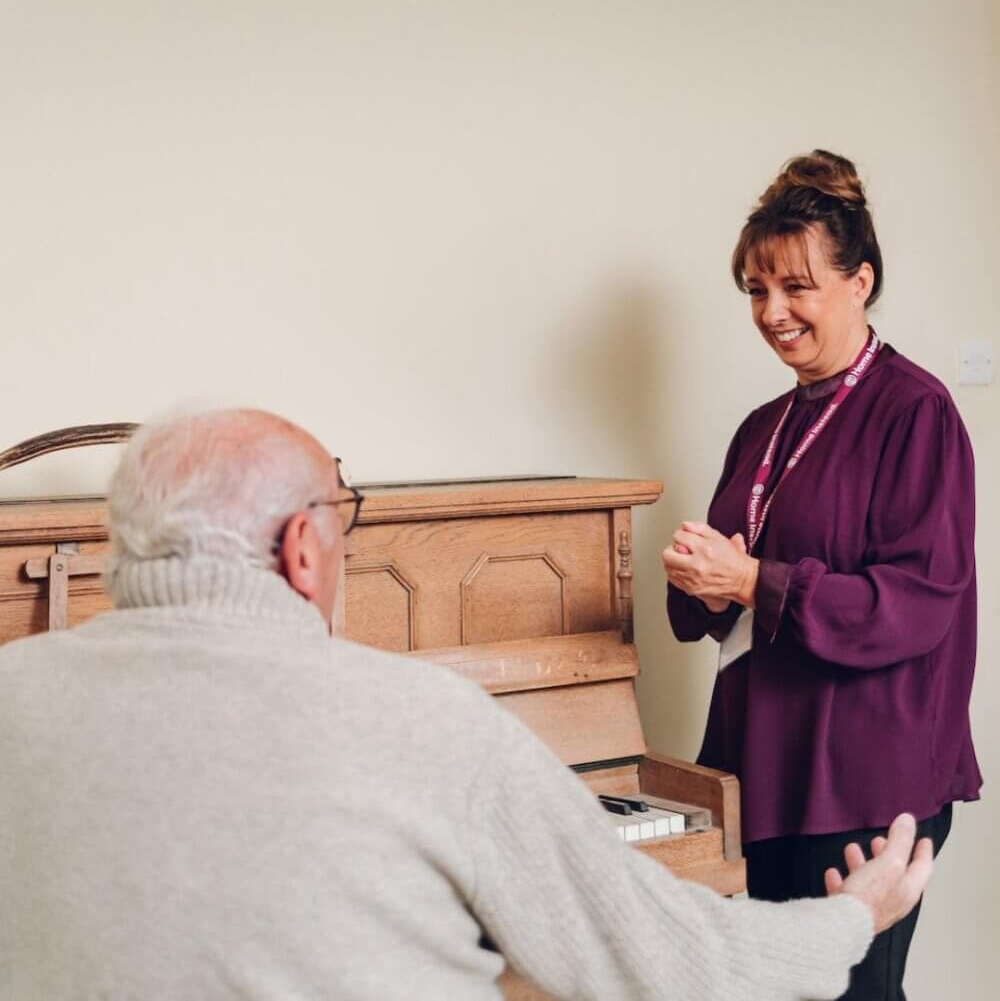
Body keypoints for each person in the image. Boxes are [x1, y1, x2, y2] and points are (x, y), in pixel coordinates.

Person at [0, 409, 934, 1001]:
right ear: (302, 551)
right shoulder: (426, 723)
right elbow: (676, 963)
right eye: (344, 518)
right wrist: (852, 917)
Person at [664, 150, 981, 1001]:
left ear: (860, 281)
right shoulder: (762, 425)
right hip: (761, 767)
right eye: (756, 290)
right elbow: (727, 586)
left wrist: (754, 581)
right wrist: (700, 578)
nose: (773, 312)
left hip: (863, 781)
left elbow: (915, 604)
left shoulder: (917, 413)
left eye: (796, 286)